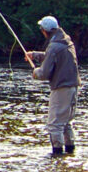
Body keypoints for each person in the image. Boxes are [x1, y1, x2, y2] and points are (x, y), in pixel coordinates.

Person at [24, 16, 81, 156]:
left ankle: (57, 157)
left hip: (61, 88)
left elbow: (44, 73)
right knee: (66, 122)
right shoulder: (66, 41)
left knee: (55, 125)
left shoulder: (54, 46)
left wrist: (35, 72)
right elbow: (53, 56)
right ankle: (70, 153)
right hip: (73, 87)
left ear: (45, 31)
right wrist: (35, 55)